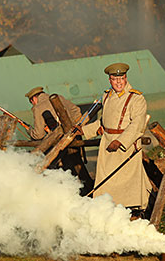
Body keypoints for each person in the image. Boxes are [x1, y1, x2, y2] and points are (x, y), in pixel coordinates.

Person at [80, 63, 152, 215]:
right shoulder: (106, 96)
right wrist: (84, 131)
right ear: (109, 80)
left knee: (128, 182)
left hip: (125, 146)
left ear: (126, 78)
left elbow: (137, 124)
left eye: (122, 78)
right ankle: (108, 211)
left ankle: (134, 211)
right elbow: (103, 123)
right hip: (106, 143)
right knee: (106, 181)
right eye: (115, 79)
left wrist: (120, 141)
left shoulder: (136, 98)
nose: (119, 82)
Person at [25, 86, 94, 195]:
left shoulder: (38, 107)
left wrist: (29, 131)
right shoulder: (59, 97)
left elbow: (38, 134)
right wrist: (71, 127)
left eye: (32, 102)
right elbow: (76, 111)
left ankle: (74, 195)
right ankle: (89, 190)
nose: (33, 104)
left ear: (33, 99)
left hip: (60, 143)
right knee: (78, 166)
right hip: (74, 137)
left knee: (62, 171)